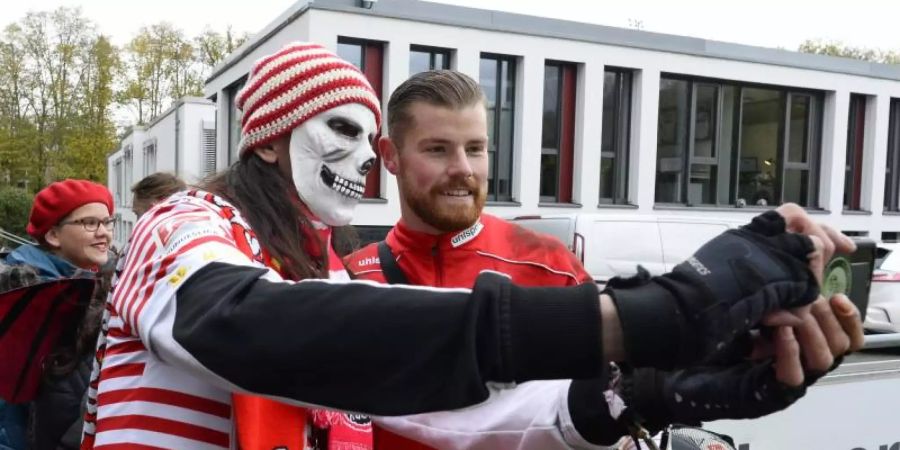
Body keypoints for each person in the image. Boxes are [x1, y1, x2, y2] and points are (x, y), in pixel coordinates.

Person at [81, 42, 846, 449]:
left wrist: (652, 390)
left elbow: (462, 415)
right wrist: (654, 312)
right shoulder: (185, 222)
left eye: (366, 136)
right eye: (339, 132)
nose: (362, 160)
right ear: (272, 143)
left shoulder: (315, 275)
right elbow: (241, 325)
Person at [345, 70, 864, 449]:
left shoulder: (547, 263)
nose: (463, 169)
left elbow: (611, 407)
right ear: (389, 155)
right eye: (438, 149)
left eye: (476, 149)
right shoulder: (349, 280)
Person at [0, 179, 114, 450]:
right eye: (89, 223)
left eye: (108, 221)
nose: (105, 233)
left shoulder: (87, 287)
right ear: (53, 235)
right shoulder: (28, 294)